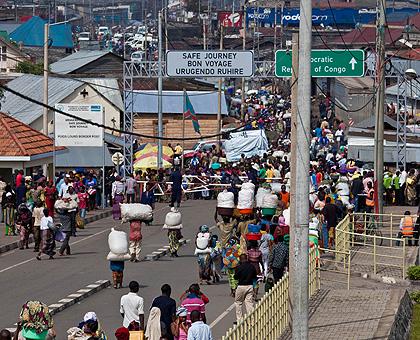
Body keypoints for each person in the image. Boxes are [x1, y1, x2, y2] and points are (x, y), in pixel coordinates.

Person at [234, 254, 257, 321]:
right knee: (249, 303)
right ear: (246, 258)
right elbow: (254, 277)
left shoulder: (239, 267)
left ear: (240, 259)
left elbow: (235, 277)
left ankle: (239, 319)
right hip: (249, 286)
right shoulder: (251, 266)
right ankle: (252, 320)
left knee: (238, 302)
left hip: (241, 286)